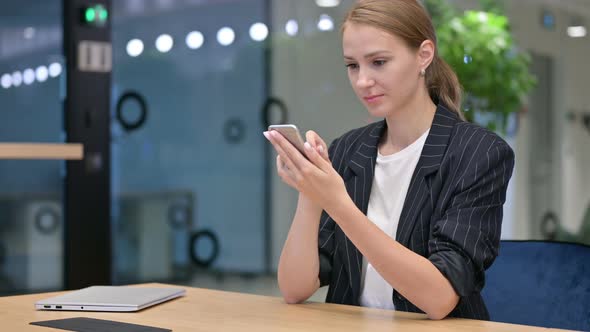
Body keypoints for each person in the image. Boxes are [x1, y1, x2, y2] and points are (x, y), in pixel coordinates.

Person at [263, 0, 514, 321]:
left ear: (424, 55)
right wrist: (310, 194)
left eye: (378, 62)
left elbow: (439, 298)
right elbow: (295, 289)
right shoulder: (349, 149)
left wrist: (337, 202)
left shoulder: (480, 152)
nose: (362, 81)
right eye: (352, 66)